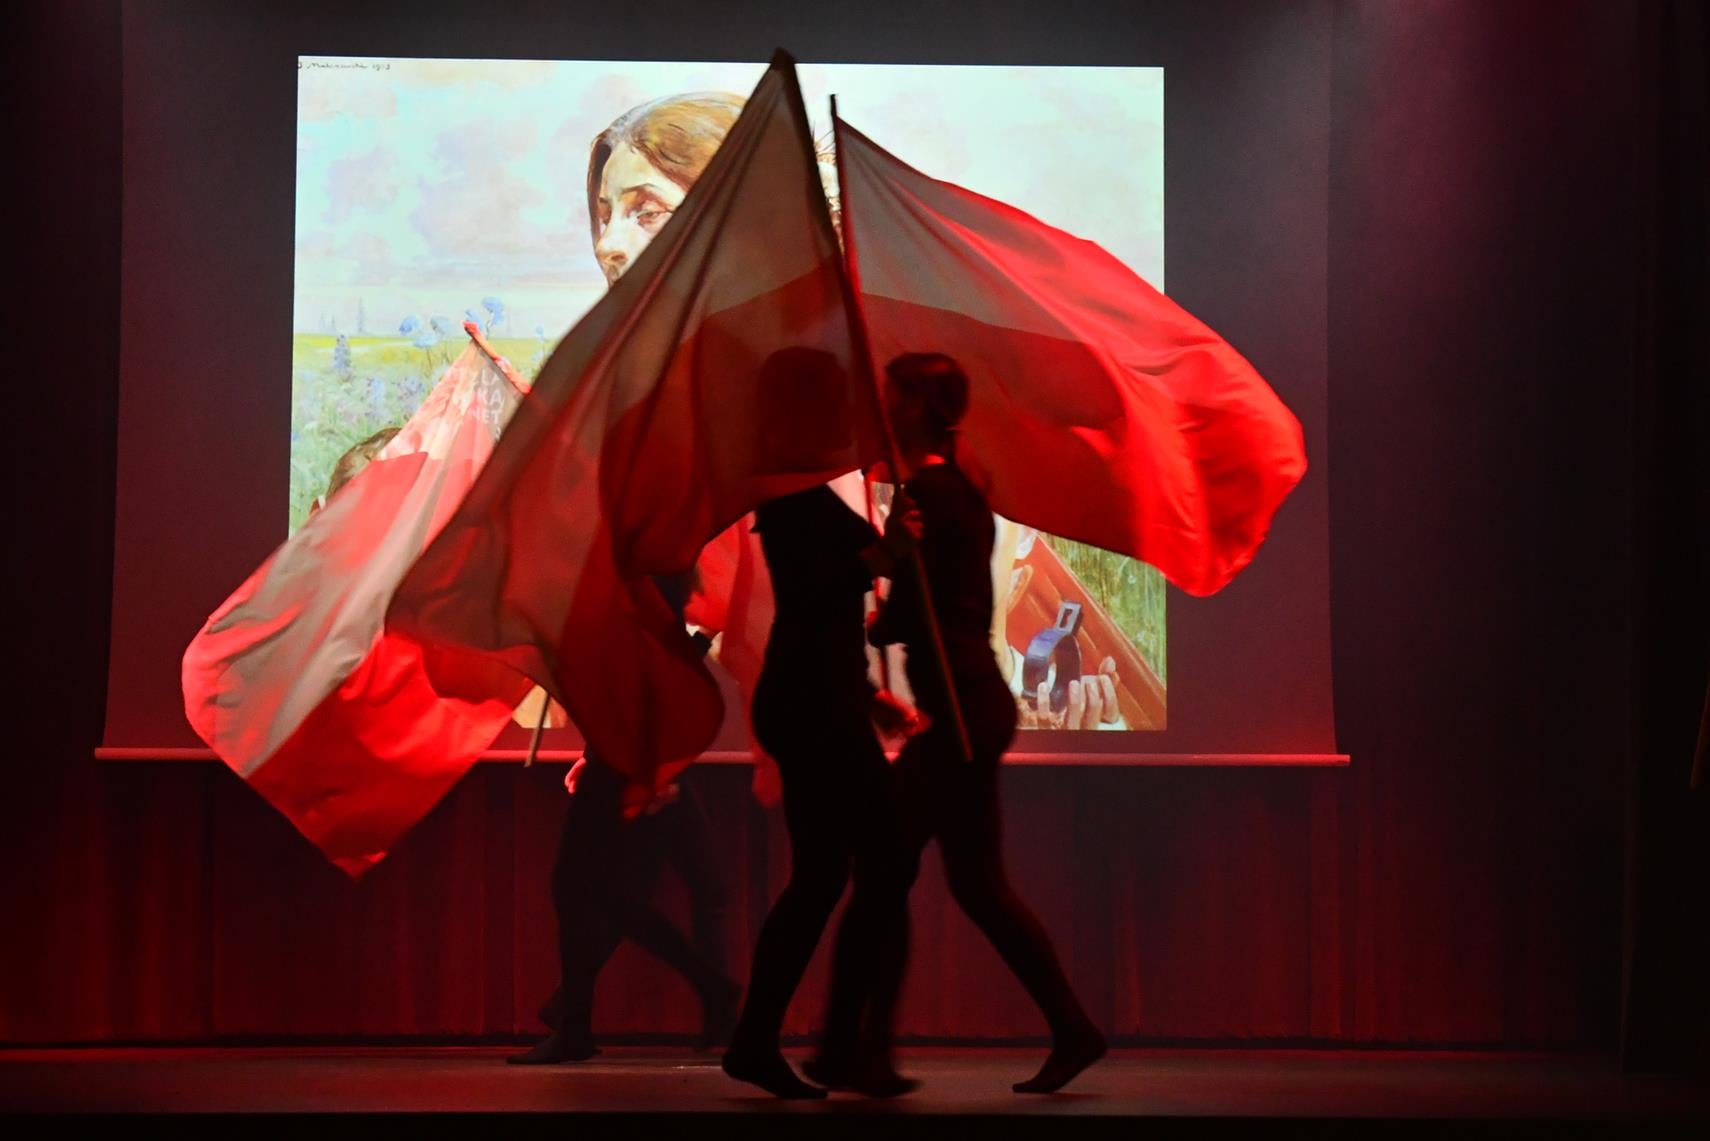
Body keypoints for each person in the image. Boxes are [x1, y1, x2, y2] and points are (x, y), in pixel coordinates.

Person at [809, 352, 1107, 1095]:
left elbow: (920, 610)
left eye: (890, 393)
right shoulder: (955, 490)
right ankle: (1072, 1028)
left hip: (959, 709)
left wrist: (883, 614)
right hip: (971, 701)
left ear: (915, 405)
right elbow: (942, 599)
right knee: (976, 886)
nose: (881, 404)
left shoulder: (932, 493)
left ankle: (852, 1049)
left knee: (882, 869)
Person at [719, 349, 924, 1099]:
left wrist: (866, 693)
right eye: (836, 398)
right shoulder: (789, 493)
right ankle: (833, 1045)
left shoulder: (794, 489)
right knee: (876, 859)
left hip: (820, 694)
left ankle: (771, 1040)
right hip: (814, 703)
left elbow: (822, 615)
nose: (849, 412)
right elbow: (815, 592)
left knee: (826, 874)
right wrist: (888, 551)